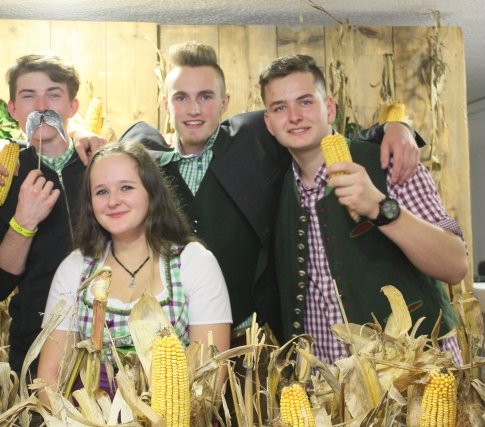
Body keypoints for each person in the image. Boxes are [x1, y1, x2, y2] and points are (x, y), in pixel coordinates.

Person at [118, 42, 423, 345]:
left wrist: (394, 128)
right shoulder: (146, 165)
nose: (194, 109)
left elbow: (320, 136)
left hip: (249, 340)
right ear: (166, 103)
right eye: (181, 97)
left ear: (224, 102)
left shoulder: (255, 137)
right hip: (171, 341)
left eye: (206, 96)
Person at [259, 54, 467, 363]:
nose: (294, 116)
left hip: (414, 372)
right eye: (280, 107)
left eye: (305, 102)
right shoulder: (274, 190)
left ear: (329, 108)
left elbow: (455, 265)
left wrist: (380, 207)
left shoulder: (390, 162)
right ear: (269, 123)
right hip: (327, 382)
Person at [37, 140, 231, 403]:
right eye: (101, 192)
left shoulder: (194, 263)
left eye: (126, 187)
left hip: (176, 414)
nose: (113, 201)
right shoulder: (75, 267)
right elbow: (50, 377)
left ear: (151, 192)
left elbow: (209, 385)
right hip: (89, 417)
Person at [0, 51, 108, 376]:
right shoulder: (1, 177)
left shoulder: (101, 165)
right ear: (13, 109)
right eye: (29, 96)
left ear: (72, 107)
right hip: (35, 340)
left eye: (53, 95)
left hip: (109, 336)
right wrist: (23, 223)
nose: (41, 107)